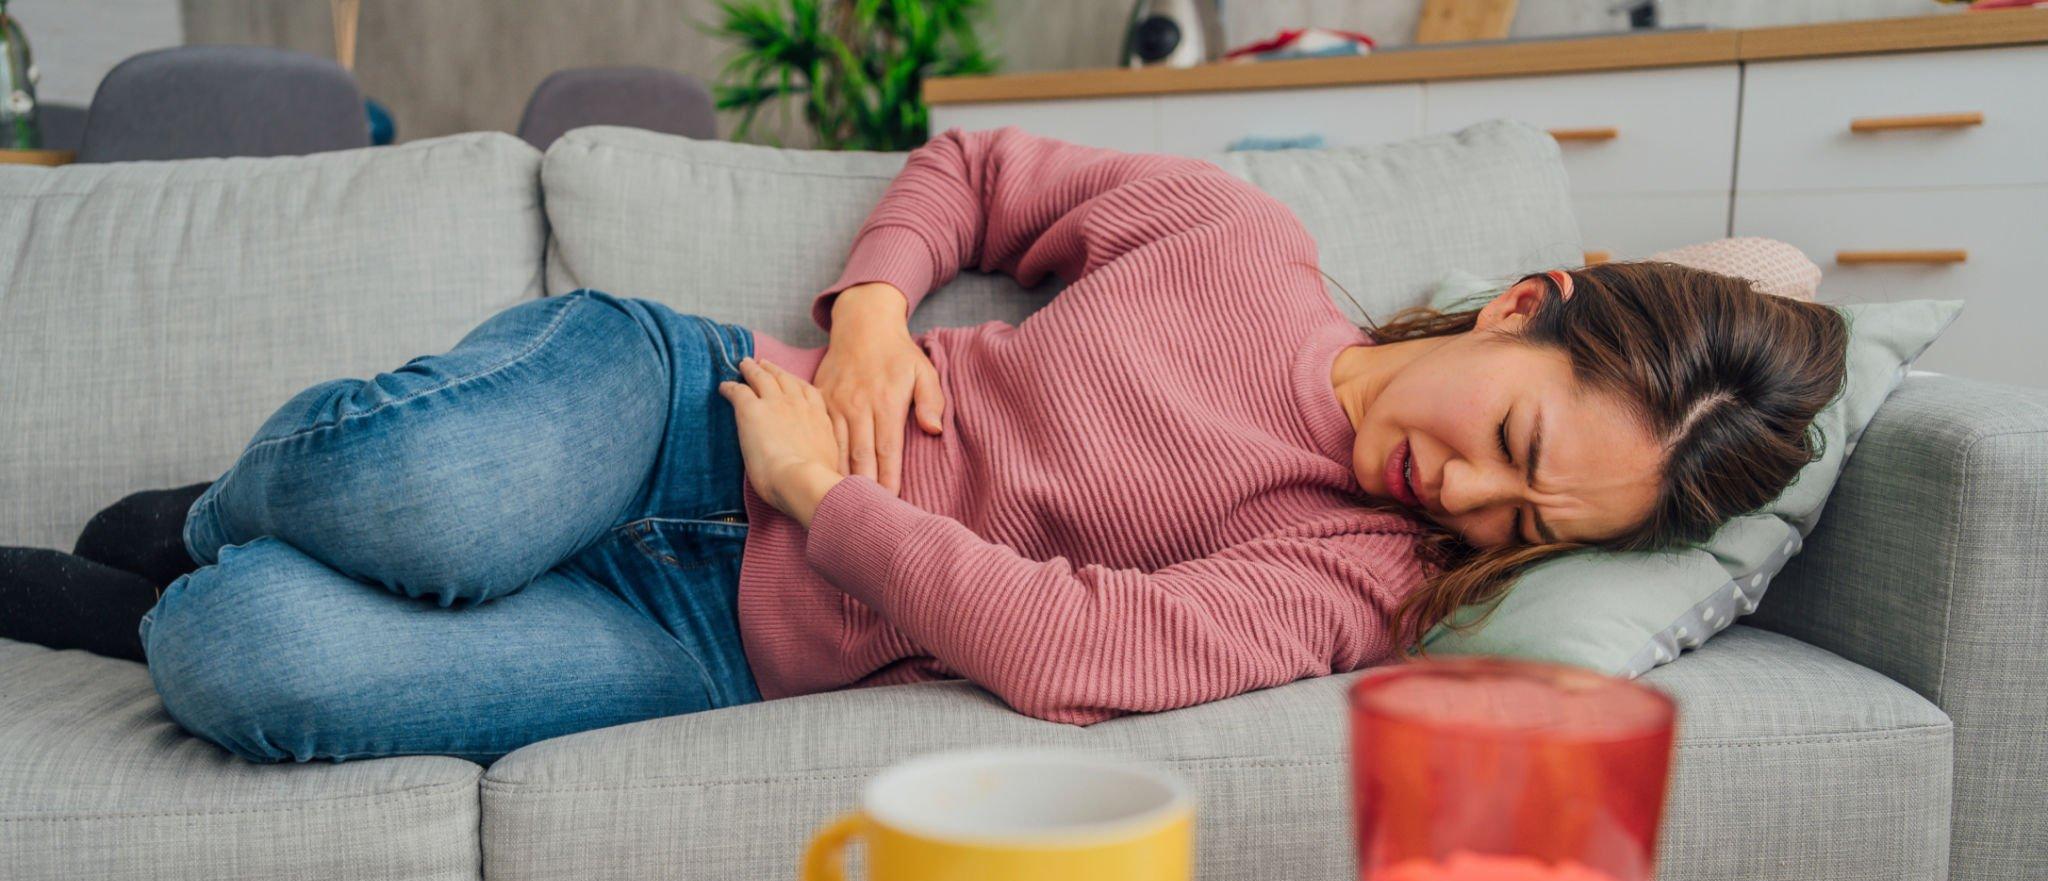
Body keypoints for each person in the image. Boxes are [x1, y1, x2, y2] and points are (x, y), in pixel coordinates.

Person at [0, 126, 1847, 764]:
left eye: (1529, 523)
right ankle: (225, 505)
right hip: (682, 412)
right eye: (1512, 438)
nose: (1473, 498)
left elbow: (1071, 648)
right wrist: (878, 312)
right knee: (411, 490)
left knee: (242, 659)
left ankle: (194, 580)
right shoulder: (1241, 242)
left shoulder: (1360, 578)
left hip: (710, 637)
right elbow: (977, 171)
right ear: (1521, 303)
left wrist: (826, 499)